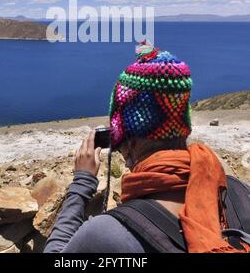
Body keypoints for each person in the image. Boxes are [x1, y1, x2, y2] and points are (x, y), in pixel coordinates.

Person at [44, 42, 250, 253]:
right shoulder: (239, 193)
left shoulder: (107, 235)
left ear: (129, 140)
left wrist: (82, 183)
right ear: (183, 125)